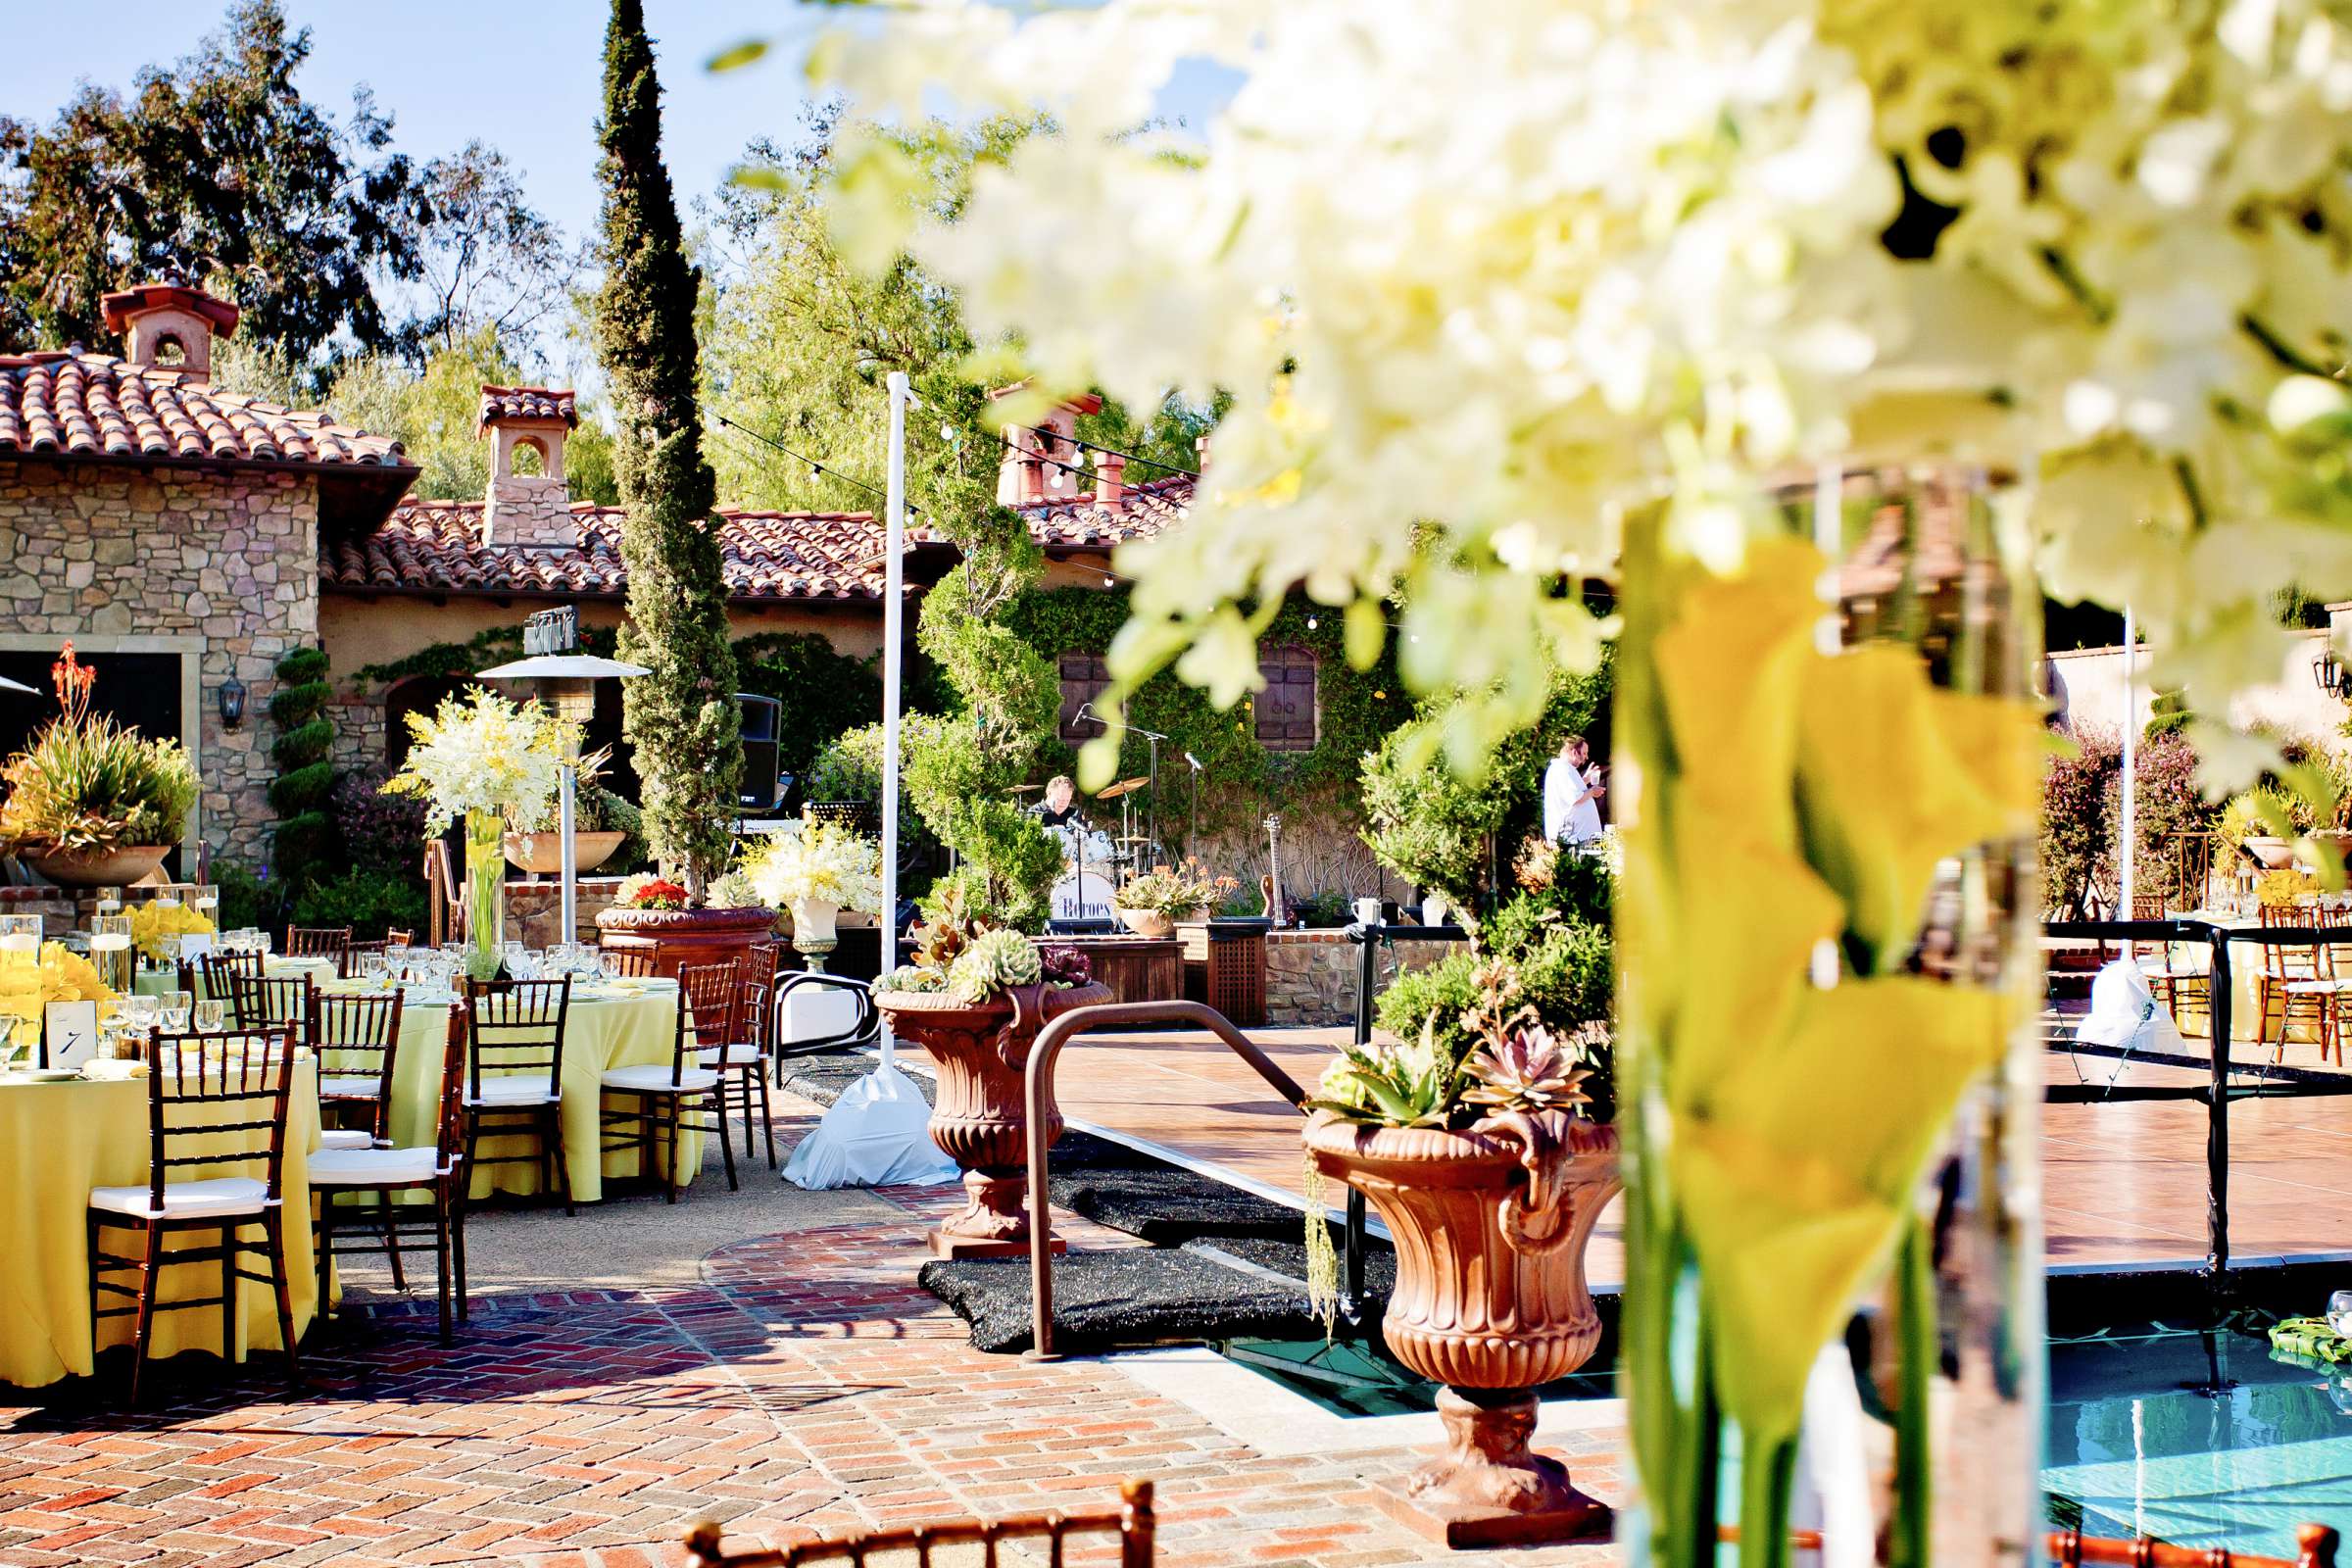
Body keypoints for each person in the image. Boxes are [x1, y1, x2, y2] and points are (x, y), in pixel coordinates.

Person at [1543, 735, 1604, 846]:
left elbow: (1570, 792)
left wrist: (1585, 780)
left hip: (1580, 838)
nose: (1586, 757)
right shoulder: (1563, 769)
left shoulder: (1564, 768)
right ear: (1575, 752)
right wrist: (1592, 791)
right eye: (1584, 753)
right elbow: (1575, 798)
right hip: (1575, 840)